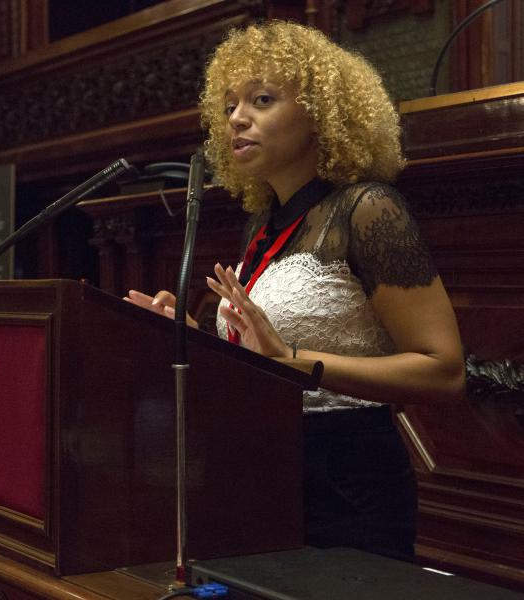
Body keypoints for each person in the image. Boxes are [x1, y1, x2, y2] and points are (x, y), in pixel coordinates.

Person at [126, 21, 465, 561]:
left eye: (261, 99)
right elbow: (263, 361)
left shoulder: (368, 209)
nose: (237, 118)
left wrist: (296, 360)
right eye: (230, 104)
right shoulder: (263, 224)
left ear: (320, 112)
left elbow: (444, 370)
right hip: (264, 465)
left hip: (347, 477)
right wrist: (195, 339)